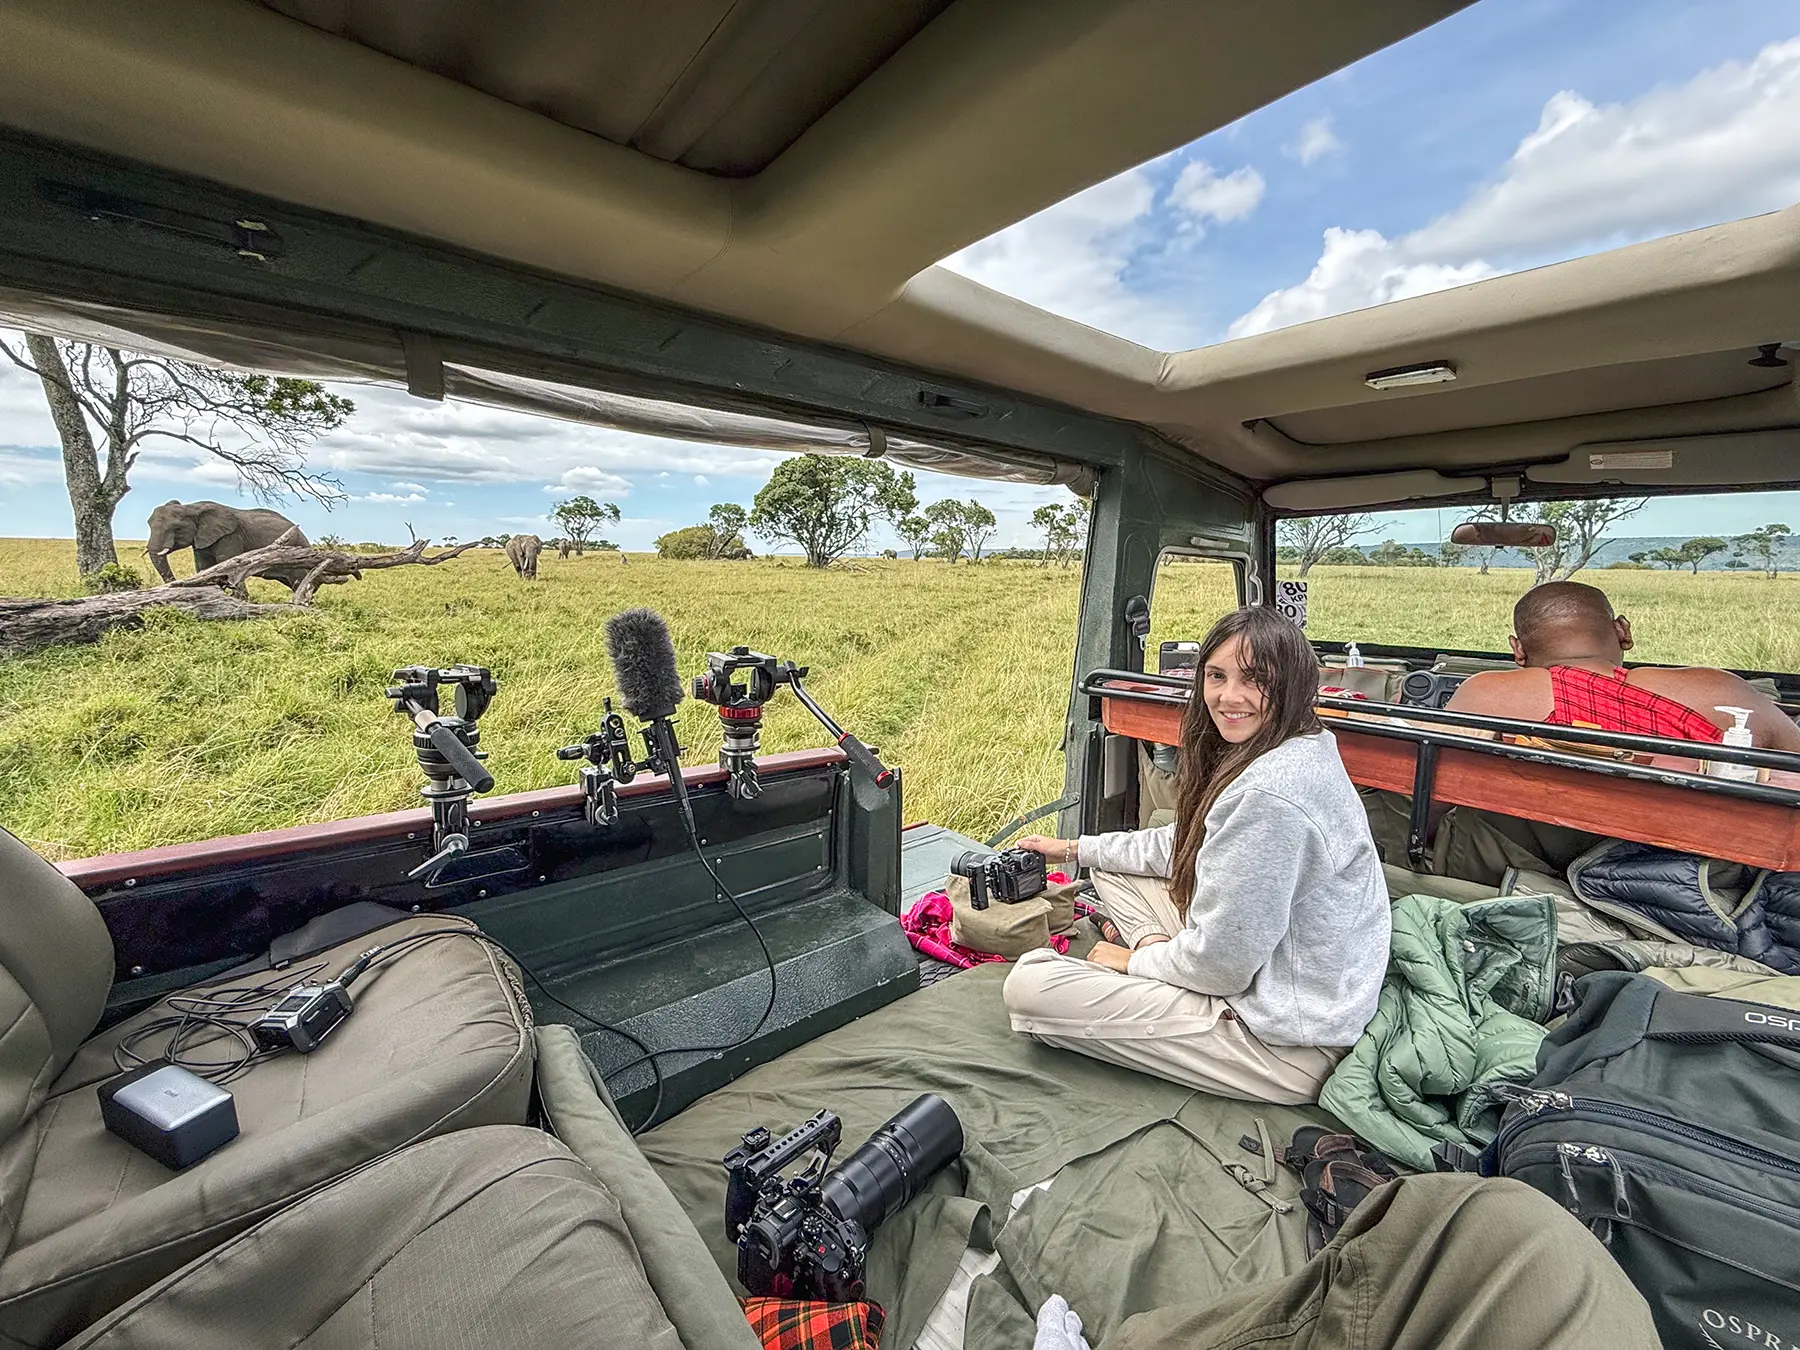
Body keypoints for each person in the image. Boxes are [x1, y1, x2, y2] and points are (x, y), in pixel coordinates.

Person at [1001, 606, 1390, 1104]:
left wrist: (1137, 962)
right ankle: (1163, 959)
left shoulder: (1272, 796)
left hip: (1287, 1040)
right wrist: (1075, 849)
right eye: (1217, 676)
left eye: (1255, 680)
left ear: (1291, 683)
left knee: (1031, 986)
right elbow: (1182, 844)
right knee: (1112, 866)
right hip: (1276, 978)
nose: (1229, 697)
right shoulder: (1299, 743)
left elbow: (1222, 969)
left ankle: (1155, 963)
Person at [1446, 580, 1800, 749]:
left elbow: (1427, 804)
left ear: (1518, 651)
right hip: (1703, 878)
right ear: (1623, 631)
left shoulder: (1485, 693)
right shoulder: (1724, 690)